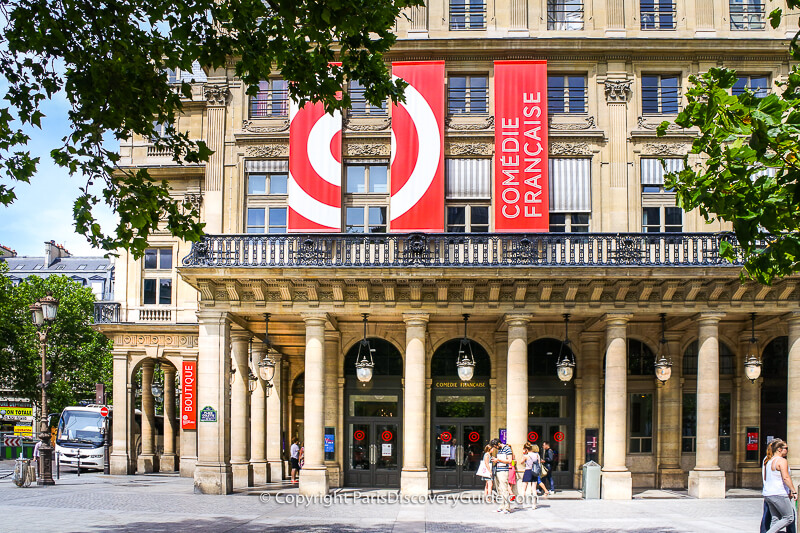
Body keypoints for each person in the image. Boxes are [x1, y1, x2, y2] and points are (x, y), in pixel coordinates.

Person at [762, 439, 797, 533]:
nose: (787, 451)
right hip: (779, 493)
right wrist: (793, 491)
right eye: (786, 448)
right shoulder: (782, 461)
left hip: (768, 494)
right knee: (789, 517)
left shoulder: (768, 461)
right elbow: (786, 477)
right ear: (779, 449)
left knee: (775, 519)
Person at [491, 438, 514, 514]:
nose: (495, 448)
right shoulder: (500, 449)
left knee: (504, 489)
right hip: (498, 470)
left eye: (495, 446)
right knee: (499, 489)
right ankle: (502, 506)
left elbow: (510, 461)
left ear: (498, 444)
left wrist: (498, 460)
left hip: (504, 471)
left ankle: (507, 507)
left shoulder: (507, 449)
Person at [520, 443, 540, 509]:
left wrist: (523, 454)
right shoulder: (537, 455)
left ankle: (522, 503)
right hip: (534, 471)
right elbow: (539, 463)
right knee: (534, 489)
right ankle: (534, 505)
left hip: (528, 471)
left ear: (526, 449)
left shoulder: (526, 455)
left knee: (524, 488)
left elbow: (521, 462)